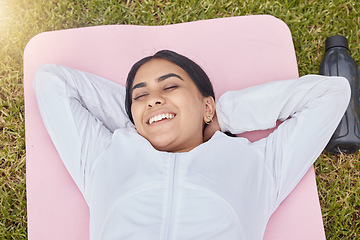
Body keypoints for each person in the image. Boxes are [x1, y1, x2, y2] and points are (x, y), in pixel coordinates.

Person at [34, 50, 350, 240]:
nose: (154, 98)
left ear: (207, 106)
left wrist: (218, 117)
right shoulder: (103, 157)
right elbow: (52, 81)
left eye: (170, 86)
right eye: (139, 95)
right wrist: (148, 118)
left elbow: (330, 94)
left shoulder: (257, 167)